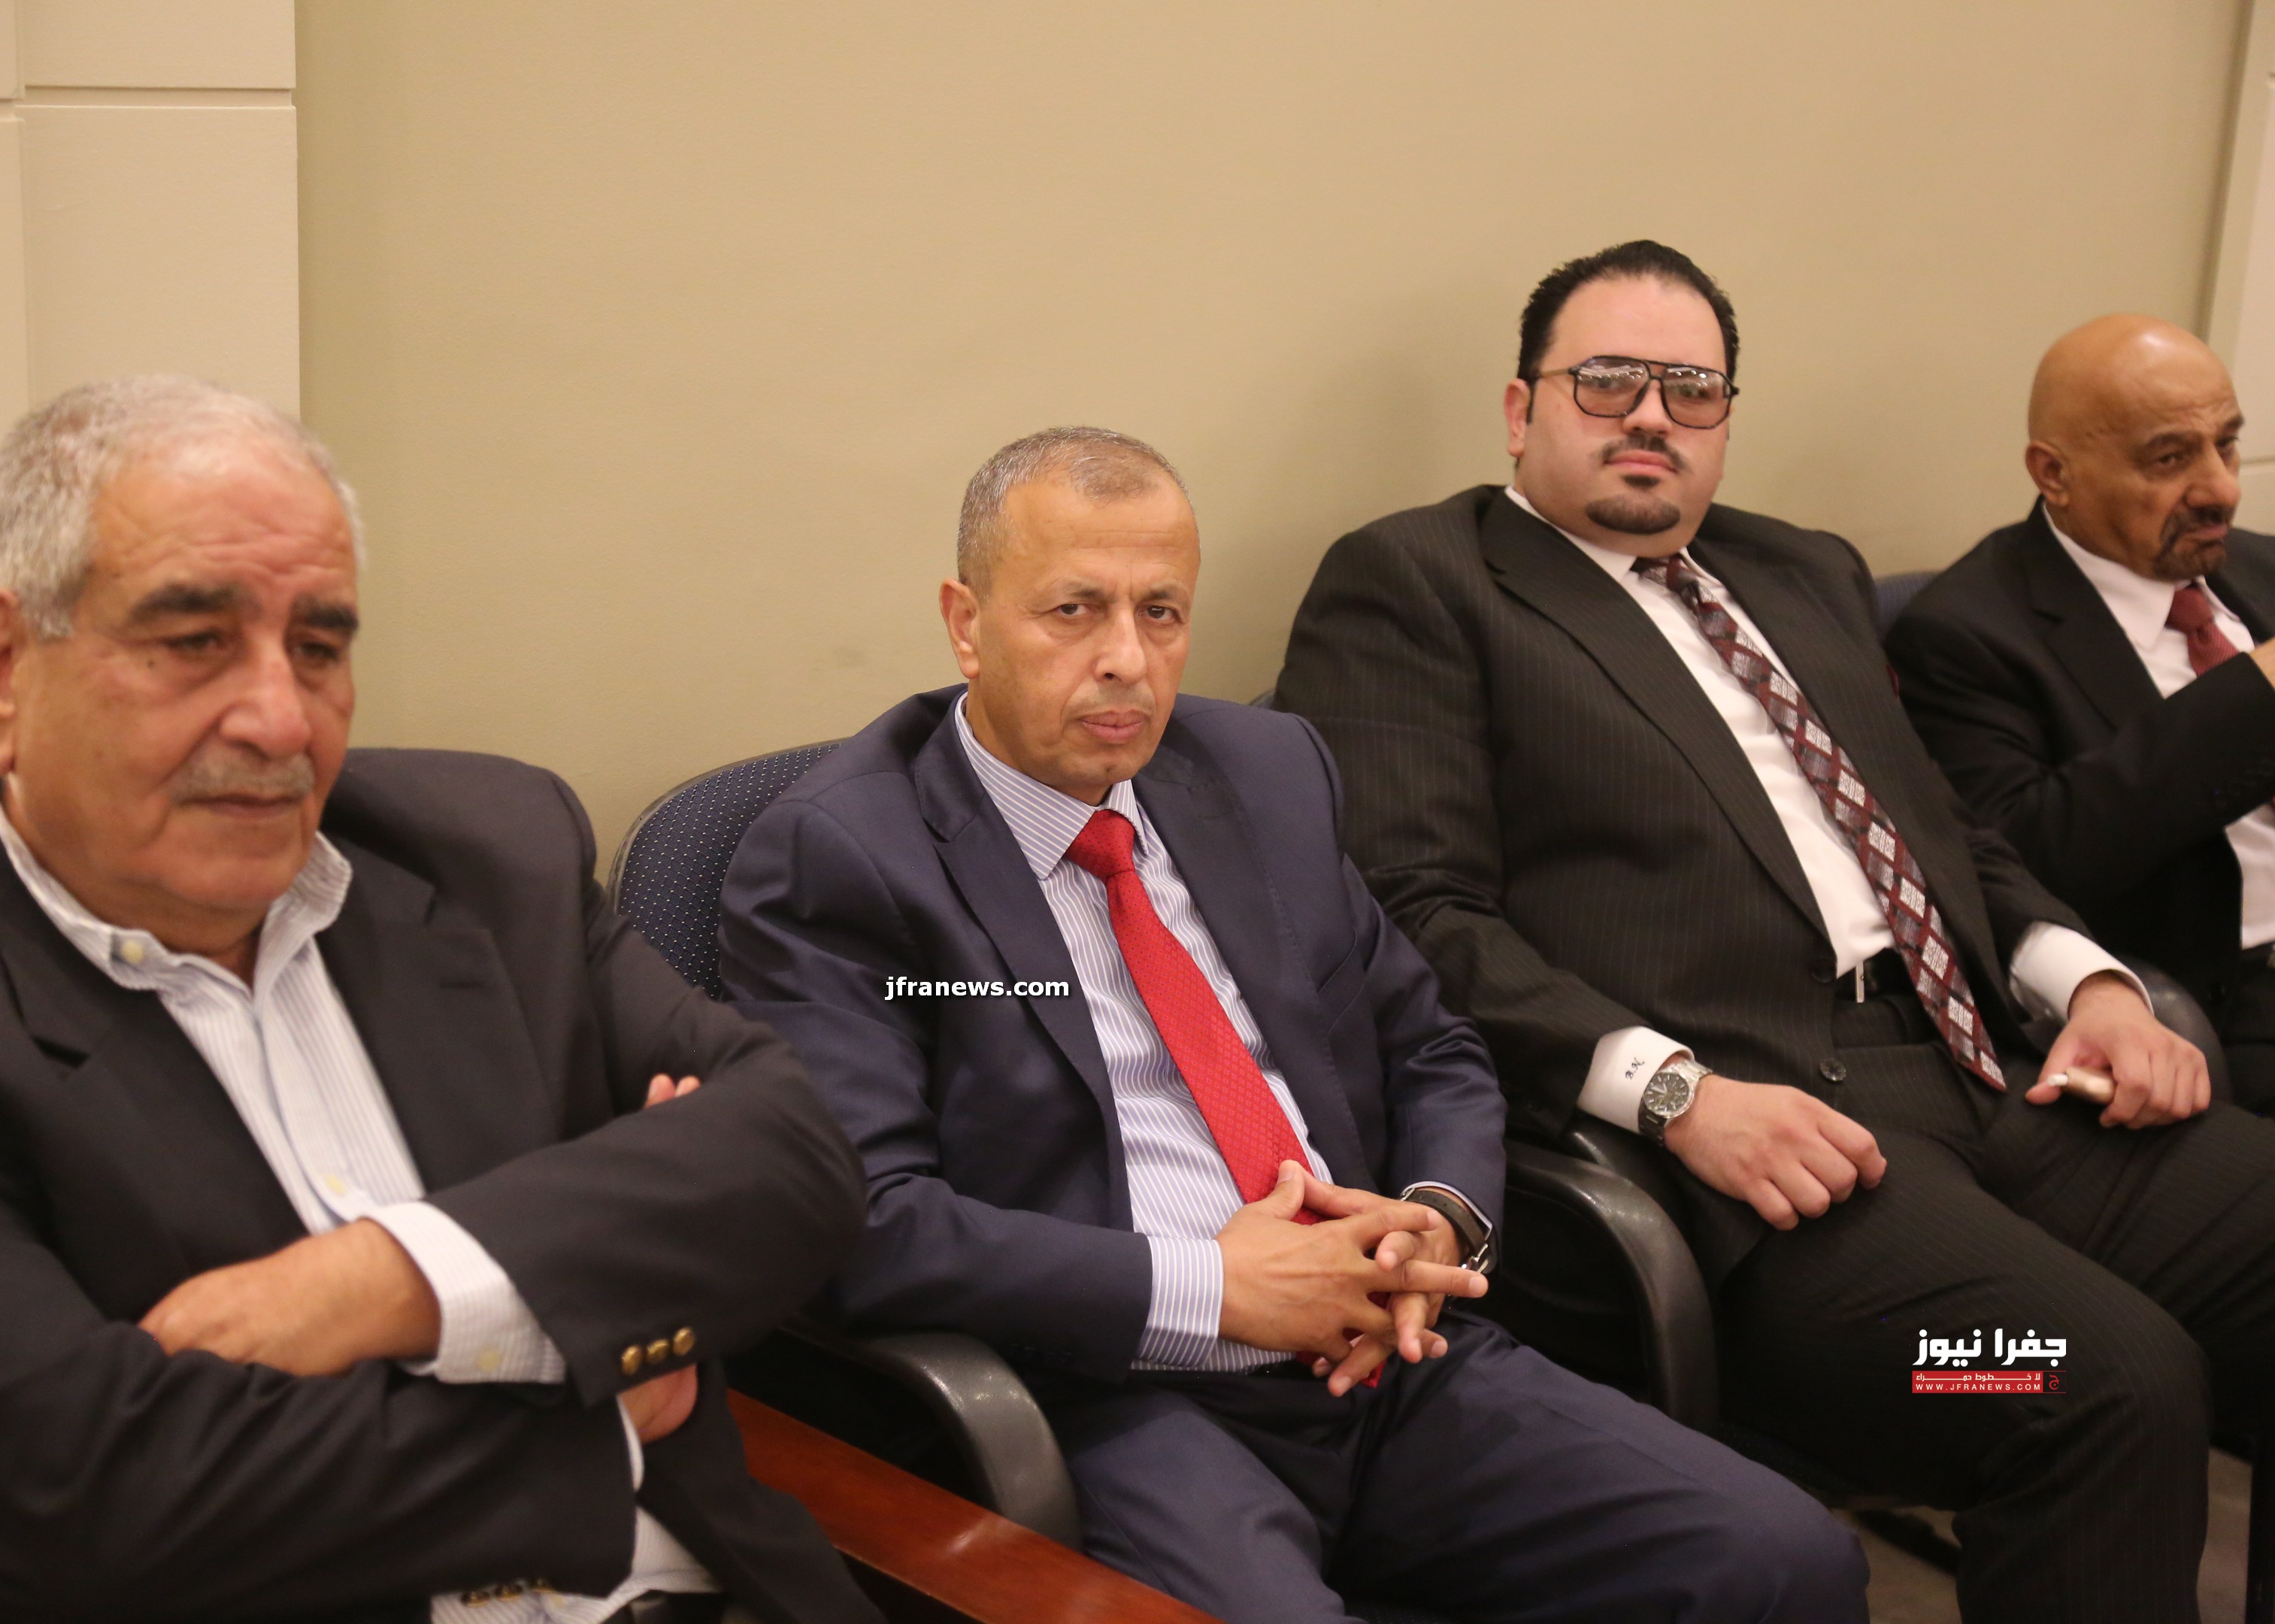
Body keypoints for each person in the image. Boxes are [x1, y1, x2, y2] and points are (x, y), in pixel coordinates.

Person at [1274, 241, 2275, 1624]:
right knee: (2077, 1381)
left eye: (1691, 390)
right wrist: (1676, 1095)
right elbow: (1412, 914)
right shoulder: (1420, 581)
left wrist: (2092, 983)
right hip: (1756, 1167)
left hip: (1993, 1074)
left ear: (1726, 422)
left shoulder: (1801, 570)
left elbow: (1946, 836)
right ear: (1520, 410)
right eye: (1607, 381)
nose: (1651, 416)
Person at [720, 426, 1868, 1624]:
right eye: (1073, 611)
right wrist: (1215, 1287)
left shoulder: (1263, 772)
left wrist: (1436, 1221)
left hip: (1389, 1351)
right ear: (967, 623)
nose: (1126, 661)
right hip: (1123, 1398)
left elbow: (1432, 1047)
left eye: (1162, 613)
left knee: (1784, 1560)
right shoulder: (846, 859)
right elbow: (871, 1222)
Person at [0, 377, 880, 1624]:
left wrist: (380, 1283)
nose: (282, 719)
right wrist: (598, 1395)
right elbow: (104, 1498)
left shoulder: (491, 848)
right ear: (2, 674)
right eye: (194, 641)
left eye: (319, 649)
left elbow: (796, 1152)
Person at [1888, 315, 2275, 1111]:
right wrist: (2254, 697)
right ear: (2054, 473)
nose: (2223, 489)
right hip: (2230, 1002)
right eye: (2170, 458)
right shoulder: (1964, 633)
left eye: (2227, 445)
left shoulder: (2264, 569)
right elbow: (2030, 860)